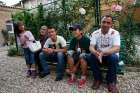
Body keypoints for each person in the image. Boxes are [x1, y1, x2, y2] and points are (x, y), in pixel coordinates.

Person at [89, 15, 120, 93]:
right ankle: (98, 79)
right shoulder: (95, 33)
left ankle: (111, 82)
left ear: (111, 24)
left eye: (108, 23)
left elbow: (117, 48)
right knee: (91, 56)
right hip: (99, 56)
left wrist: (104, 52)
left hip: (110, 55)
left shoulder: (115, 33)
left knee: (114, 58)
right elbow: (91, 47)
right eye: (104, 22)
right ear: (100, 23)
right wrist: (95, 52)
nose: (105, 24)